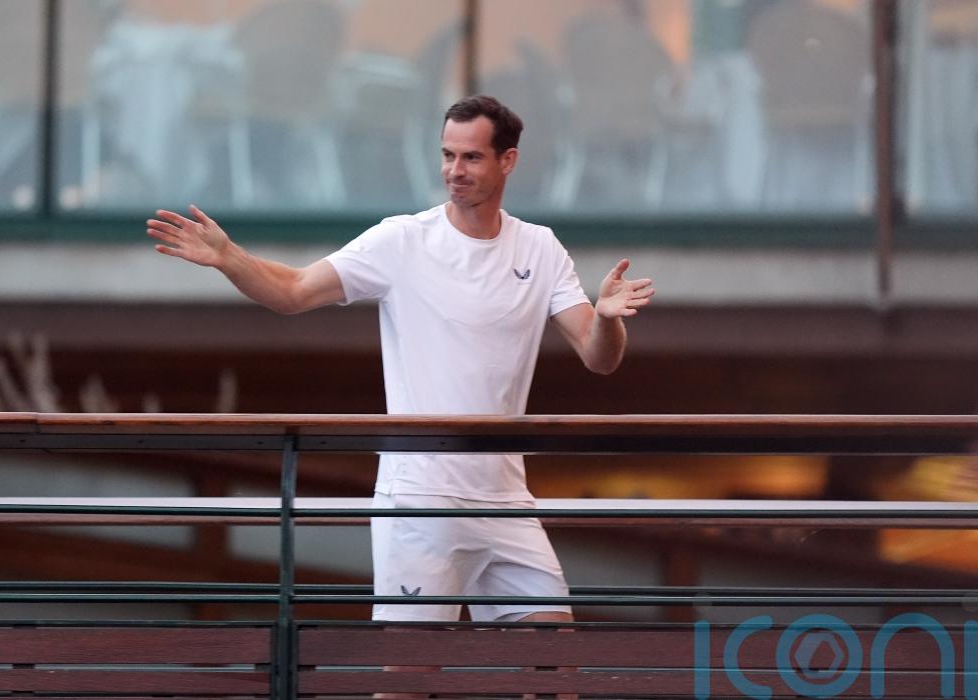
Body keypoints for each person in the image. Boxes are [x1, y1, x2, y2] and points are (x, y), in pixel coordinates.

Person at [146, 95, 654, 630]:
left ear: (508, 161)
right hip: (419, 497)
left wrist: (607, 318)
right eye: (447, 155)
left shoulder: (541, 247)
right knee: (410, 668)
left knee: (554, 659)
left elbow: (598, 357)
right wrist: (229, 258)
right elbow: (293, 291)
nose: (454, 171)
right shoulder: (402, 239)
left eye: (472, 157)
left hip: (506, 498)